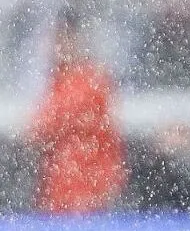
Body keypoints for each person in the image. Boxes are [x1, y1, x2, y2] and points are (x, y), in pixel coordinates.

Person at [27, 13, 126, 214]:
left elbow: (45, 125)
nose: (59, 47)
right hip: (63, 193)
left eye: (64, 40)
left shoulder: (90, 81)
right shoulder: (59, 80)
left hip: (89, 192)